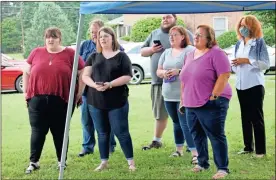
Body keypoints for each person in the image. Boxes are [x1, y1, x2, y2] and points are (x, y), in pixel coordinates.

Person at [23, 27, 85, 174]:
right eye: (48, 37)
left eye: (54, 37)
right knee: (37, 131)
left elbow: (83, 71)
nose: (50, 40)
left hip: (62, 100)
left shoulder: (70, 53)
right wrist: (26, 92)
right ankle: (34, 162)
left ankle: (61, 162)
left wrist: (79, 93)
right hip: (37, 100)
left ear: (60, 38)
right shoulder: (36, 52)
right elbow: (26, 70)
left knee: (61, 132)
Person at [179, 25, 232, 179]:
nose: (196, 37)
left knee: (215, 135)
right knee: (196, 134)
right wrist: (183, 100)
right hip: (191, 102)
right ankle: (202, 163)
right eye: (195, 34)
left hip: (211, 101)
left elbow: (224, 75)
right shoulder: (190, 54)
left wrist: (214, 96)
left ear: (209, 39)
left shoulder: (216, 53)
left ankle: (222, 168)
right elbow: (184, 78)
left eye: (200, 35)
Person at [82, 27, 136, 171]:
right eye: (100, 37)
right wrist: (94, 85)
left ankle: (131, 162)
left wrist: (110, 84)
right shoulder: (93, 56)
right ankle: (104, 162)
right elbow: (85, 76)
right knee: (102, 133)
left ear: (112, 38)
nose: (103, 39)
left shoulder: (122, 56)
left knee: (121, 132)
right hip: (96, 101)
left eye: (106, 36)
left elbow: (127, 76)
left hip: (117, 101)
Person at [141, 14, 194, 150]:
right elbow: (143, 51)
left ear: (175, 19)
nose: (165, 19)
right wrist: (152, 50)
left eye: (168, 17)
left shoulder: (188, 41)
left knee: (184, 119)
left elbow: (195, 63)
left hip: (183, 88)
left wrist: (179, 71)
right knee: (161, 114)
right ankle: (158, 141)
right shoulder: (155, 34)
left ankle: (192, 147)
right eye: (163, 17)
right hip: (161, 84)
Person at [78, 19, 120, 157]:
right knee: (86, 119)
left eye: (97, 32)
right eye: (92, 32)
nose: (94, 35)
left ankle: (109, 145)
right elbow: (79, 66)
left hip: (106, 90)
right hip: (87, 89)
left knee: (106, 119)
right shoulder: (84, 45)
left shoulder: (112, 47)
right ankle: (87, 147)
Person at [156, 25, 198, 161]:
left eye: (175, 35)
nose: (172, 37)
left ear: (183, 36)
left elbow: (194, 70)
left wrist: (178, 71)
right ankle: (179, 149)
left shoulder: (190, 51)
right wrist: (164, 73)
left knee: (185, 122)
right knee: (175, 122)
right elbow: (158, 70)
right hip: (168, 94)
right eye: (170, 35)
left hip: (184, 94)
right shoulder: (166, 52)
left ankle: (195, 154)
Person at [232, 15, 269, 158]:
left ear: (252, 26)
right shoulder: (238, 44)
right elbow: (236, 65)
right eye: (241, 25)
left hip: (254, 84)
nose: (243, 28)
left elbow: (265, 63)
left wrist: (247, 60)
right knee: (245, 117)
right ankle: (248, 146)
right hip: (241, 85)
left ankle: (260, 150)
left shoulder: (259, 42)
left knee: (256, 117)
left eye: (245, 25)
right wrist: (235, 64)